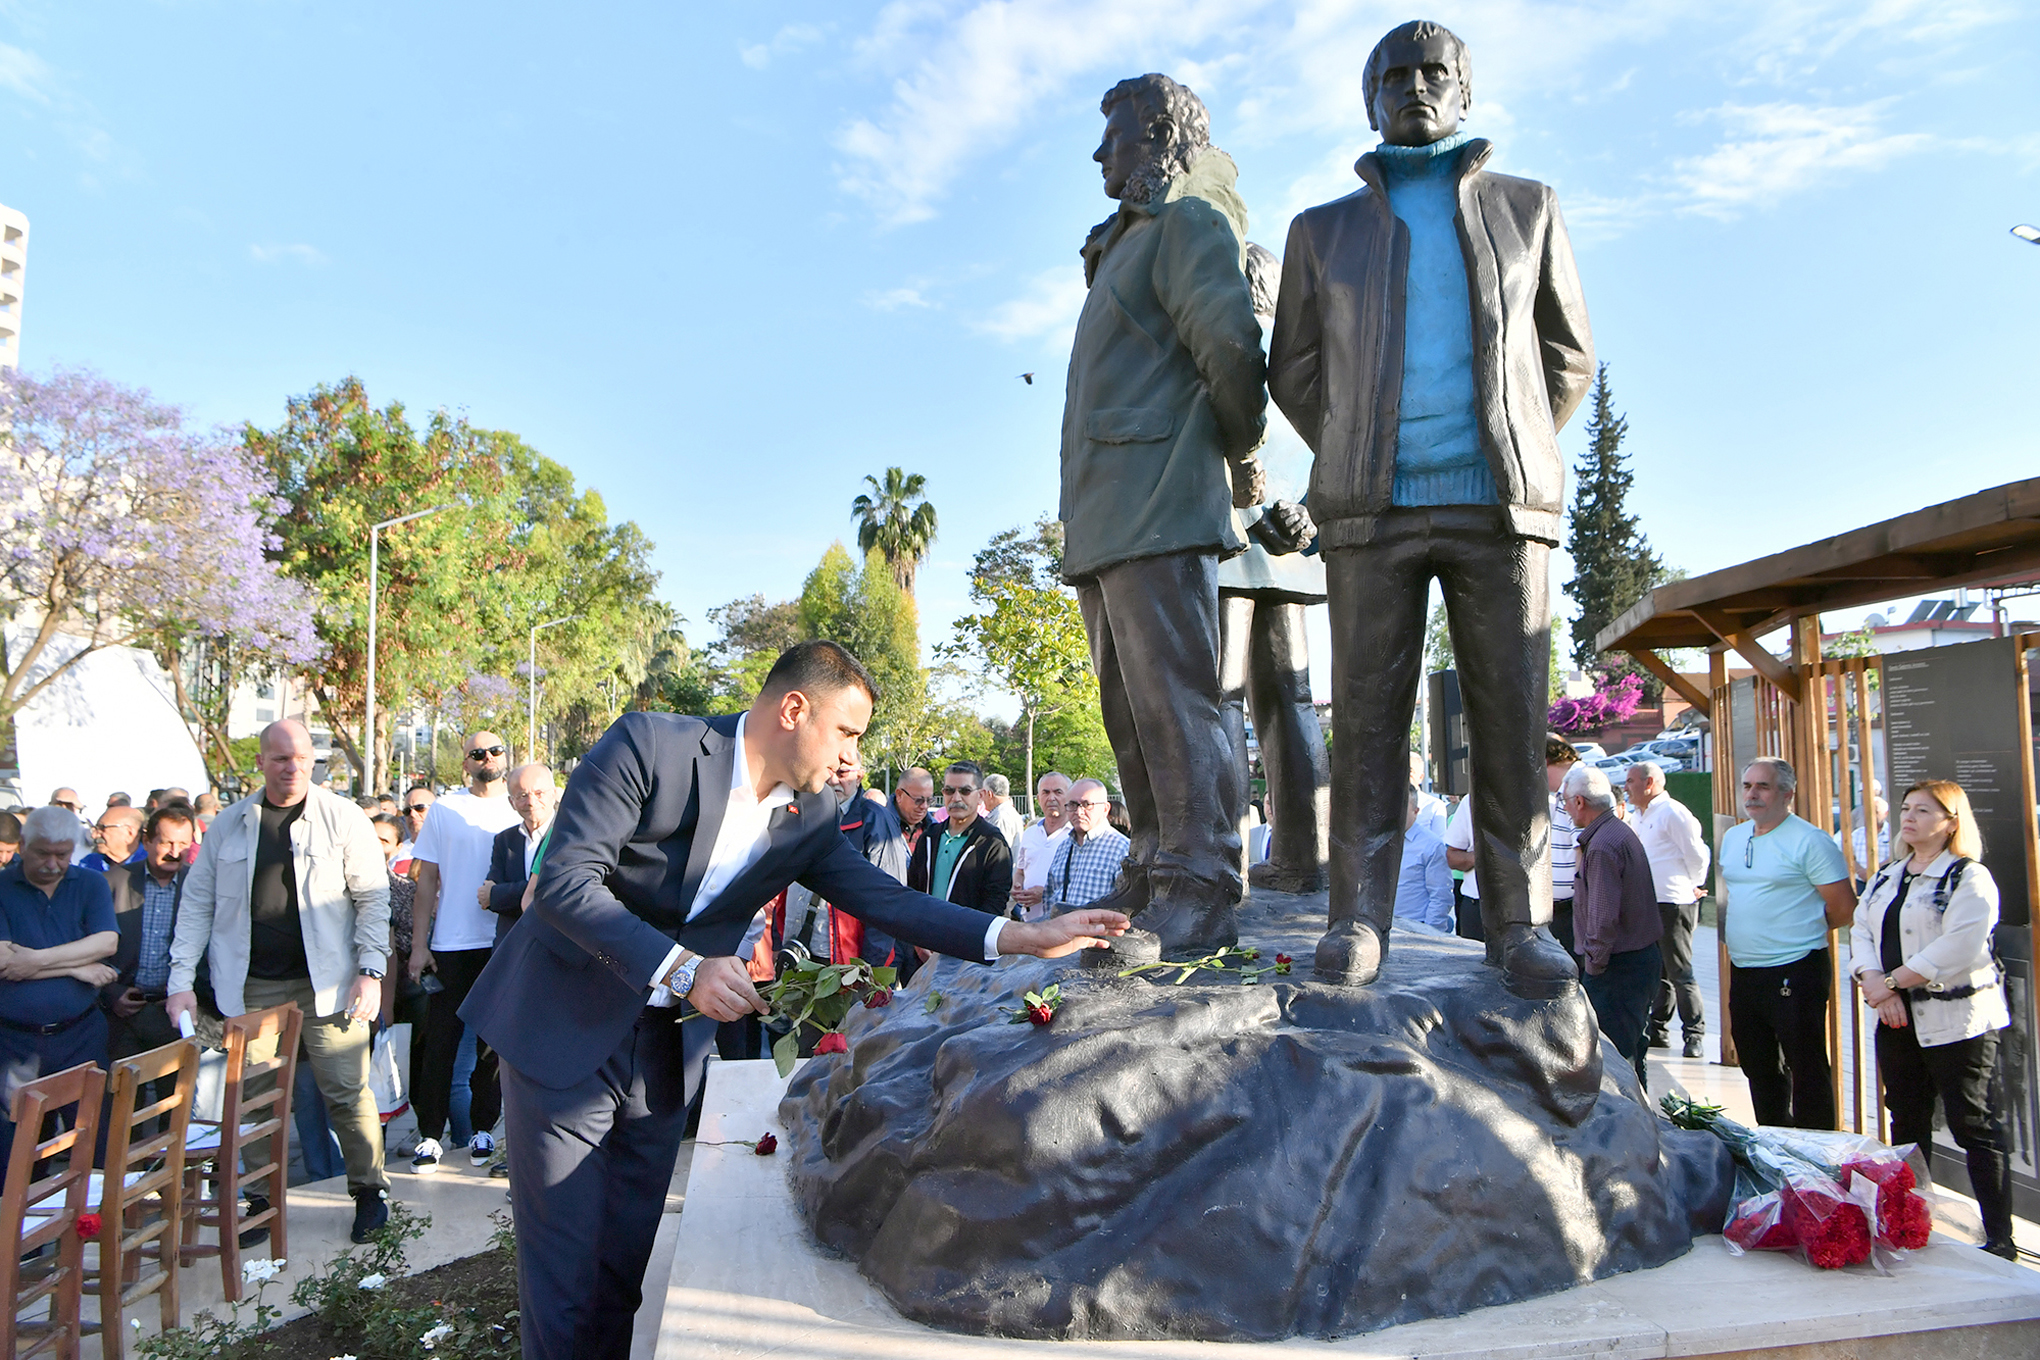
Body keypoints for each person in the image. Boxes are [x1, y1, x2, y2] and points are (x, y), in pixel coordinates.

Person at [458, 641, 1128, 1359]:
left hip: (659, 1059)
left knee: (619, 1276)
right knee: (563, 1289)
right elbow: (563, 884)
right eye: (847, 732)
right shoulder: (649, 745)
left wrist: (1027, 937)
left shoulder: (810, 818)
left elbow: (890, 902)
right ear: (794, 709)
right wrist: (683, 968)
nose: (850, 756)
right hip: (563, 1036)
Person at [1270, 20, 1590, 990]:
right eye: (1393, 76)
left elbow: (1565, 356)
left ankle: (1521, 924)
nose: (1415, 87)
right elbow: (1294, 369)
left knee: (1508, 722)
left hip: (1500, 507)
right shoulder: (1320, 233)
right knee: (1367, 725)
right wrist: (1362, 440)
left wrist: (1515, 437)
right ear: (1368, 100)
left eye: (1434, 73)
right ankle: (1357, 918)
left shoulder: (1528, 208)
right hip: (1372, 511)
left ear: (1465, 92)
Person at [1059, 72, 1265, 953]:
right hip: (1106, 510)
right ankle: (1152, 858)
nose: (1101, 152)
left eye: (1118, 135)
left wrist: (1226, 452)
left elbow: (1229, 347)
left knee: (1176, 700)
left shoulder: (1185, 224)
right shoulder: (1121, 245)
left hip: (1160, 496)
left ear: (1162, 138)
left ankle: (1202, 877)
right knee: (1126, 705)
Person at [166, 718, 393, 1243]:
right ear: (262, 762)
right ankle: (260, 1200)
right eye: (280, 758)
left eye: (301, 757)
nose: (292, 768)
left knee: (345, 1090)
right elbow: (197, 905)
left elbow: (372, 899)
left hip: (330, 983)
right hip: (252, 987)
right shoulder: (229, 824)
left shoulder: (343, 817)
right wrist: (180, 980)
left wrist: (371, 971)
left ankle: (368, 1191)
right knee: (254, 1096)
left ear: (314, 759)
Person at [1850, 780, 2017, 1260]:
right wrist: (1875, 984)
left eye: (1924, 810)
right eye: (1906, 808)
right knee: (1905, 1116)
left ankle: (2000, 1237)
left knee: (1972, 1124)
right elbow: (1862, 929)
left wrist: (1894, 982)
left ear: (1951, 822)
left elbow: (1959, 945)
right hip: (1897, 1018)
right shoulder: (1888, 875)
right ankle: (1909, 1220)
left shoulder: (1969, 877)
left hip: (1957, 1020)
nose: (1909, 817)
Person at [1222, 243, 1330, 894]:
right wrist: (1311, 515)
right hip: (1292, 542)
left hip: (1230, 539)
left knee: (1221, 701)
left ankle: (1222, 862)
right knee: (1291, 697)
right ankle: (1306, 853)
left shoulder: (1228, 346)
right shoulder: (1301, 359)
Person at [1717, 758, 1854, 1128]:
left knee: (1806, 1068)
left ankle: (1818, 1156)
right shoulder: (1734, 837)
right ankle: (1774, 1145)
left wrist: (1797, 927)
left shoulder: (1810, 841)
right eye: (1747, 786)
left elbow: (1843, 908)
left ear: (1787, 794)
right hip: (1745, 969)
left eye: (1763, 786)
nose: (1752, 794)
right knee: (1757, 1065)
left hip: (1795, 967)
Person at [406, 732, 519, 1174]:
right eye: (478, 753)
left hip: (503, 943)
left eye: (495, 751)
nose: (487, 758)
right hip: (451, 943)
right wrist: (419, 945)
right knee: (440, 1045)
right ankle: (430, 1135)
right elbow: (426, 882)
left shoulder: (519, 806)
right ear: (465, 762)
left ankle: (483, 1129)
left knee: (492, 1048)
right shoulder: (445, 810)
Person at [0, 806, 119, 1170]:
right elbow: (4, 962)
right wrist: (78, 967)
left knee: (96, 1143)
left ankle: (93, 1223)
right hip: (13, 1042)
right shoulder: (2, 886)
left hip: (80, 1035)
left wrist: (35, 961)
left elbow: (107, 943)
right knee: (14, 1153)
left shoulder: (90, 883)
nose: (52, 864)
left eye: (62, 855)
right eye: (43, 853)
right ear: (22, 845)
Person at [1563, 764, 1663, 1088]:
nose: (1564, 810)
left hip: (1619, 969)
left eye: (1565, 802)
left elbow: (1603, 918)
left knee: (1616, 1058)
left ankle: (1631, 1130)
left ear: (1580, 802)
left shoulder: (1604, 844)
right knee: (1630, 1052)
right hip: (1633, 962)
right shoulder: (1614, 832)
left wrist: (1593, 969)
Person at [1626, 762, 1711, 1058]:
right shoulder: (1639, 815)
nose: (1626, 787)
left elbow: (1697, 853)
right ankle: (1659, 1031)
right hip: (1647, 903)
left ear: (1649, 783)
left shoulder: (1673, 812)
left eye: (1631, 781)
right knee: (1657, 971)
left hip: (1673, 902)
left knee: (1680, 970)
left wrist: (1694, 884)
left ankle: (1694, 1034)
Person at [101, 805, 196, 1068]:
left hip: (175, 1015)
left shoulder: (201, 886)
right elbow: (91, 945)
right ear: (146, 840)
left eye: (182, 843)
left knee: (174, 1101)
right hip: (122, 1017)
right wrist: (111, 993)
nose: (175, 852)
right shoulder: (111, 882)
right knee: (123, 1102)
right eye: (166, 842)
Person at [906, 762, 1013, 918]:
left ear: (980, 796)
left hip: (967, 938)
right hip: (925, 935)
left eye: (965, 791)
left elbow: (995, 902)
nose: (956, 798)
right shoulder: (929, 837)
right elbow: (913, 890)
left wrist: (966, 935)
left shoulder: (992, 843)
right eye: (949, 791)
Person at [482, 764, 558, 947]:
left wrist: (499, 894)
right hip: (510, 945)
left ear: (553, 794)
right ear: (511, 802)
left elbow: (554, 891)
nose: (531, 801)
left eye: (539, 793)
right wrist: (529, 890)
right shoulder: (504, 840)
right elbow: (487, 899)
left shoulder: (567, 836)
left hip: (552, 944)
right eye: (522, 796)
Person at [1042, 779, 1133, 913]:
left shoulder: (1122, 849)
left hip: (1098, 932)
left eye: (1087, 804)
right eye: (1073, 804)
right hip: (1060, 930)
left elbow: (1127, 905)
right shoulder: (1064, 847)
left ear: (1105, 809)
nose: (1079, 812)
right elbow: (1049, 895)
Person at [1010, 773, 1073, 922]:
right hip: (1028, 920)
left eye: (1058, 792)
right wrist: (1017, 886)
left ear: (1069, 797)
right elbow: (1020, 871)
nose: (1051, 798)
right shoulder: (1030, 833)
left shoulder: (1076, 835)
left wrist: (1045, 893)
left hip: (1061, 922)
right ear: (1038, 799)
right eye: (1046, 792)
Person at [1393, 784, 1454, 933]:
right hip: (1380, 928)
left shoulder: (1431, 846)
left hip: (1415, 929)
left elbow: (1440, 895)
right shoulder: (1377, 842)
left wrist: (1430, 934)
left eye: (1401, 807)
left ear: (1416, 812)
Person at [1544, 737, 1583, 970]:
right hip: (1563, 907)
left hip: (1574, 907)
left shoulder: (1576, 785)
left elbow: (1584, 847)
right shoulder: (1564, 790)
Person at [83, 806, 146, 872]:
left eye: (102, 828)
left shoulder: (151, 865)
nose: (94, 835)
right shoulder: (89, 863)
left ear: (129, 833)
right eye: (95, 829)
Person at [979, 774, 1025, 850]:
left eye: (983, 793)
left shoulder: (1001, 817)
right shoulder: (1007, 812)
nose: (982, 798)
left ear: (989, 794)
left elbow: (998, 850)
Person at [397, 784, 435, 877]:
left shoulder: (449, 851)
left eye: (420, 808)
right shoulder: (396, 853)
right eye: (407, 810)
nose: (413, 814)